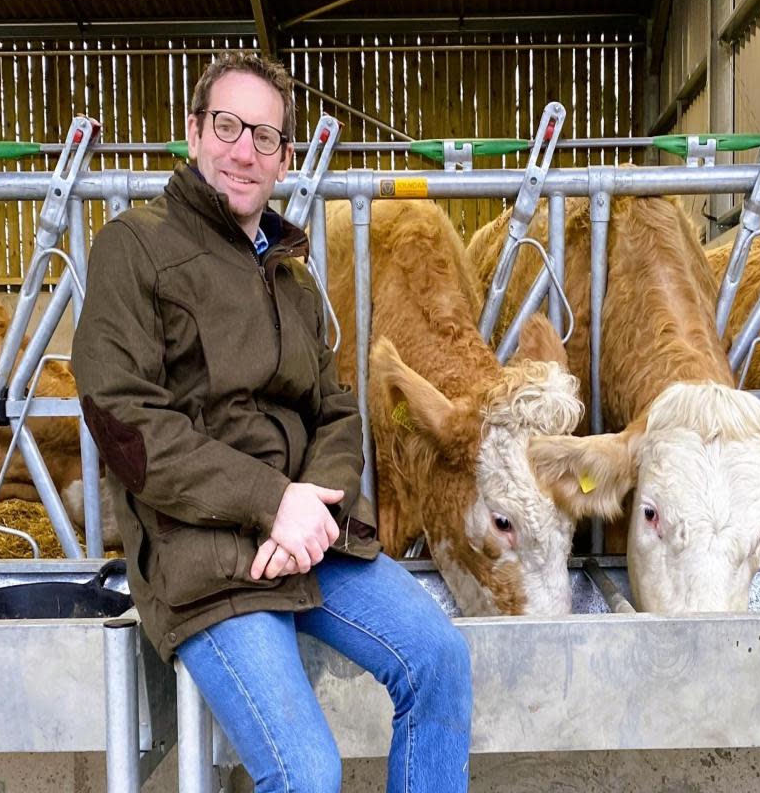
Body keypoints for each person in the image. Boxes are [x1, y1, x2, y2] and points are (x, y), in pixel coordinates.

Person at [73, 52, 472, 793]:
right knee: (306, 770)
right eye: (227, 126)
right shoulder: (135, 246)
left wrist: (313, 506)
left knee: (440, 661)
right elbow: (122, 417)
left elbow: (338, 410)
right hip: (206, 556)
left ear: (286, 158)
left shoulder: (290, 272)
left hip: (307, 541)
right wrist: (270, 503)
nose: (243, 150)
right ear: (193, 133)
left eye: (265, 136)